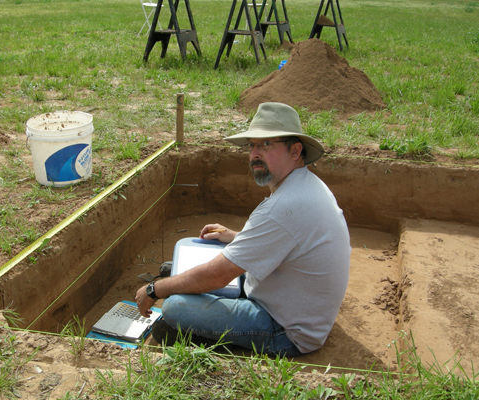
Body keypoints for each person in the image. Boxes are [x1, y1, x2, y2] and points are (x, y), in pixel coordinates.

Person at [135, 102, 351, 356]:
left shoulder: (284, 207)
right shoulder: (304, 186)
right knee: (175, 272)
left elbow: (218, 276)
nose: (254, 153)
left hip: (287, 330)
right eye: (252, 145)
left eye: (266, 144)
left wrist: (154, 289)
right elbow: (286, 242)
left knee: (175, 306)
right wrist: (236, 237)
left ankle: (206, 337)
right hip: (294, 302)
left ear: (295, 150)